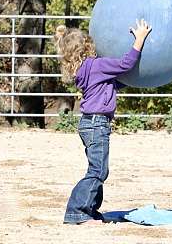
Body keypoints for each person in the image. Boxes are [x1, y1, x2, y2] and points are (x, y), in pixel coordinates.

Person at [55, 19, 152, 224]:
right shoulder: (97, 65)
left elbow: (113, 84)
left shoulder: (85, 70)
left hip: (90, 124)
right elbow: (125, 64)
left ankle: (89, 209)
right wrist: (140, 39)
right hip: (96, 123)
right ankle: (76, 210)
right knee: (98, 170)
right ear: (88, 46)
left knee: (97, 168)